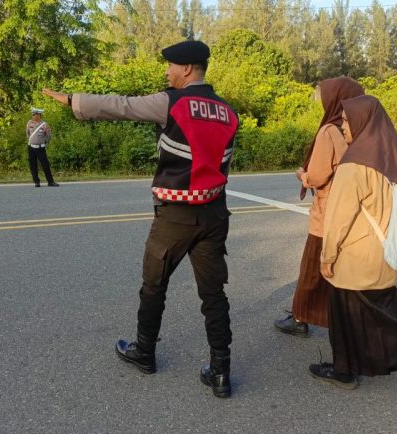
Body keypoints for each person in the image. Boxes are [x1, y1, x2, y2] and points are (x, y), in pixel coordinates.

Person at [41, 40, 239, 398]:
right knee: (214, 294)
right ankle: (221, 371)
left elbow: (122, 106)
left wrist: (73, 100)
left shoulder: (172, 102)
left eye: (171, 66)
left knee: (154, 285)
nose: (167, 72)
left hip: (175, 216)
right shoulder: (228, 111)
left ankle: (145, 353)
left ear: (187, 69)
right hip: (214, 213)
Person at [312, 95, 397, 403]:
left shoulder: (353, 165)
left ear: (362, 122)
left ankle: (349, 371)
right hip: (385, 254)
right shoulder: (389, 157)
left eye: (347, 121)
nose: (343, 126)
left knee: (346, 315)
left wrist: (327, 256)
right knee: (386, 314)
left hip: (355, 257)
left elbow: (338, 218)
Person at [274, 77, 365, 337]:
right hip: (349, 211)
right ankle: (340, 318)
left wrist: (302, 175)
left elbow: (317, 175)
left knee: (312, 269)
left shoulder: (329, 131)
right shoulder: (357, 129)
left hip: (327, 214)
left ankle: (301, 317)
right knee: (340, 270)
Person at [26, 108, 60, 187]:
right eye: (33, 114)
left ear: (39, 115)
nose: (33, 116)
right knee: (33, 165)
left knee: (45, 165)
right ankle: (36, 182)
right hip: (31, 147)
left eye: (35, 114)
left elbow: (49, 137)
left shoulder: (44, 124)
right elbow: (27, 134)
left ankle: (50, 182)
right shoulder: (29, 123)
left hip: (40, 148)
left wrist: (46, 134)